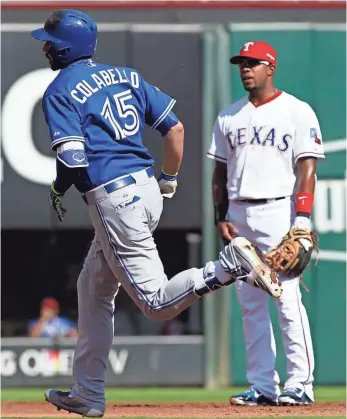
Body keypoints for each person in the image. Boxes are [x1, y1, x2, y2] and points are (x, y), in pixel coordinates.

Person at [31, 12, 281, 418]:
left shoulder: (61, 89)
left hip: (115, 199)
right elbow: (175, 130)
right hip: (147, 188)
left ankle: (227, 265)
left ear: (64, 47)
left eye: (49, 41)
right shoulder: (126, 75)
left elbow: (74, 160)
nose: (44, 47)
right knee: (93, 289)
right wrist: (168, 180)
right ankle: (88, 391)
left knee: (155, 303)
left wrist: (60, 187)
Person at [208, 40, 325, 407]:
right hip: (239, 215)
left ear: (270, 67)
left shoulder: (297, 111)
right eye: (241, 63)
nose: (245, 68)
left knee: (287, 299)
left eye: (253, 63)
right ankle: (262, 385)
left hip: (279, 211)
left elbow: (307, 168)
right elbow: (219, 172)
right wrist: (221, 215)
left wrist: (302, 220)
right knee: (250, 303)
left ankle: (301, 383)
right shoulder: (229, 115)